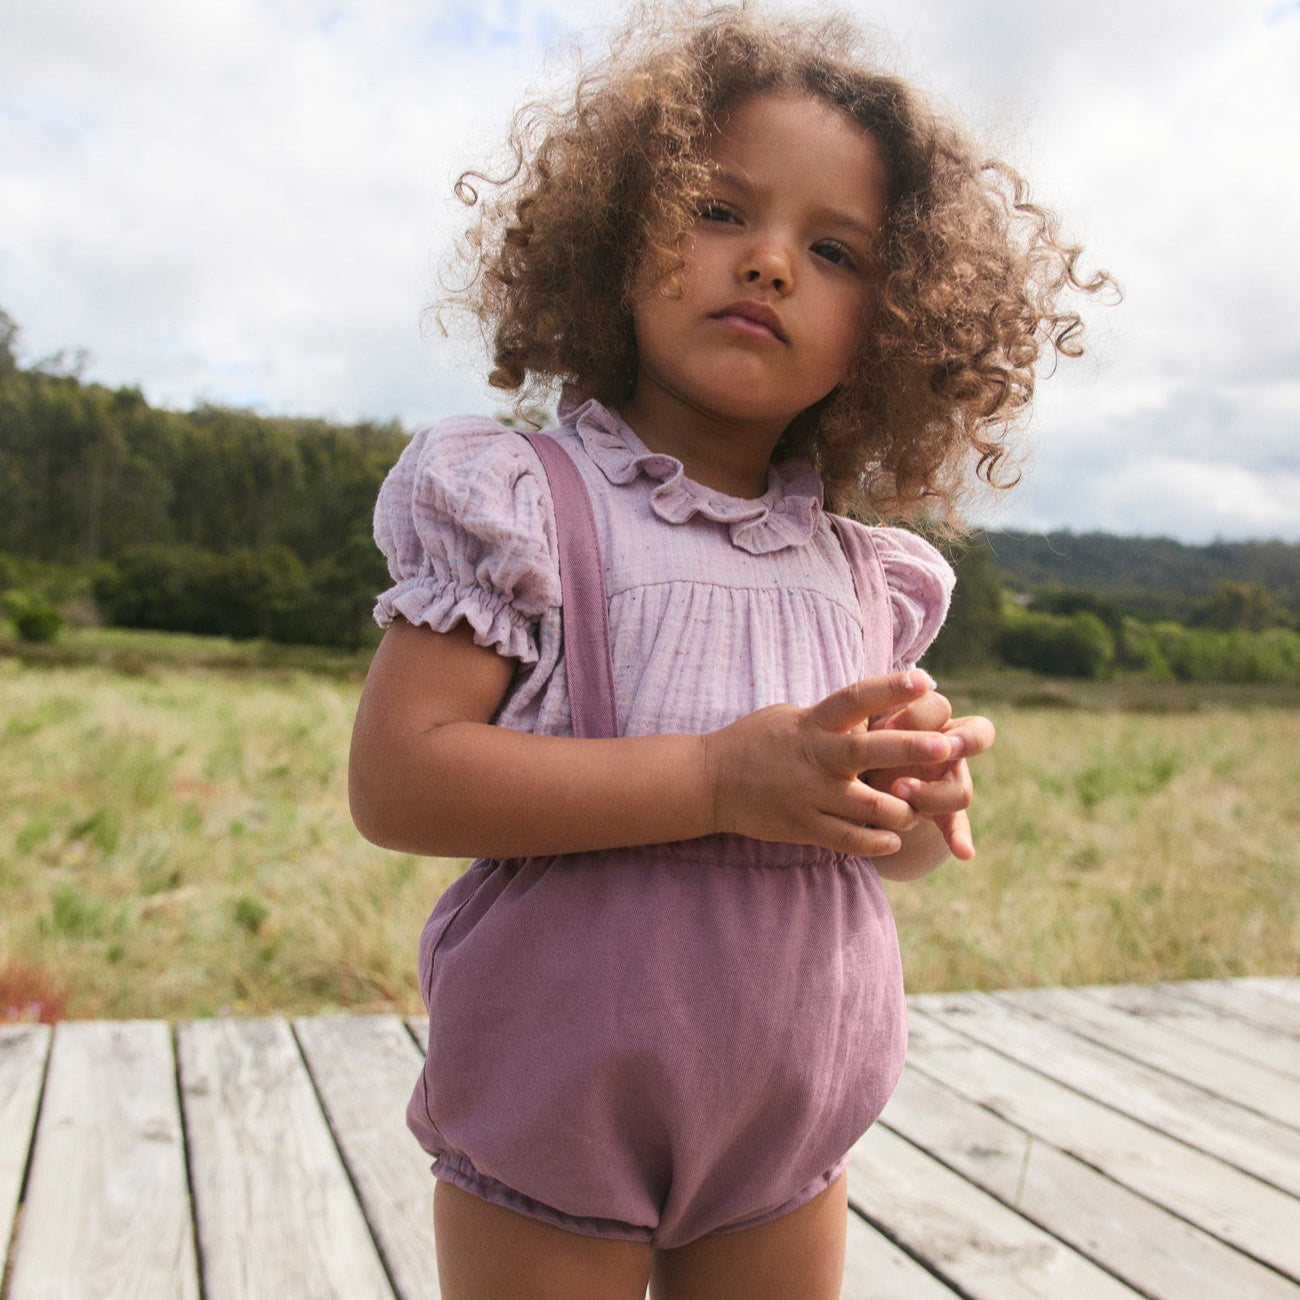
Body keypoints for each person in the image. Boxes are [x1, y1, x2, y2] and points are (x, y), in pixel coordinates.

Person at [349, 6, 1111, 1297]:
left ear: (897, 323)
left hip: (791, 1119)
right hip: (558, 1099)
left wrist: (919, 803)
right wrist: (714, 780)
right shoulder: (519, 499)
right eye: (717, 210)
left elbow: (896, 855)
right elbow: (403, 782)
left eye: (832, 249)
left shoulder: (870, 576)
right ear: (614, 232)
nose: (767, 263)